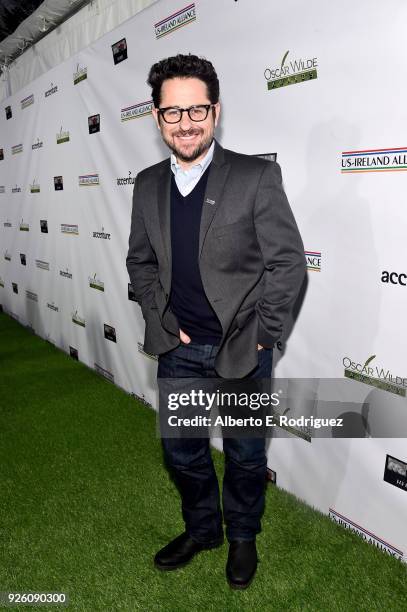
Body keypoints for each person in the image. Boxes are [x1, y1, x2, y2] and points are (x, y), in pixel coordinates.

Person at [126, 54, 306, 589]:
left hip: (242, 351)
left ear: (216, 110)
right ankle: (204, 530)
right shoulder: (146, 183)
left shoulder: (256, 175)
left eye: (197, 109)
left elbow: (287, 263)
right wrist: (161, 318)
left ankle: (243, 535)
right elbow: (141, 262)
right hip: (178, 350)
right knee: (181, 452)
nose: (186, 122)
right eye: (173, 112)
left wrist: (262, 336)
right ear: (157, 118)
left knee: (247, 455)